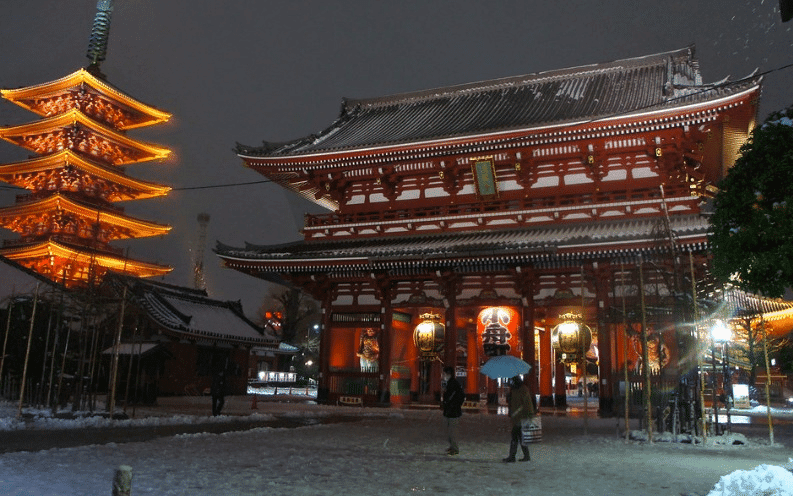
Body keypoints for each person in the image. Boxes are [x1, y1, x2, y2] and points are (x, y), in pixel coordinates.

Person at [503, 375, 534, 462]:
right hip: (518, 417)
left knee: (515, 435)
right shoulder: (515, 390)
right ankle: (526, 456)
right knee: (520, 437)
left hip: (522, 417)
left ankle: (512, 456)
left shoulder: (522, 390)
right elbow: (513, 403)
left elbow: (524, 404)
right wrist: (509, 397)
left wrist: (517, 413)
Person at [440, 365, 464, 456]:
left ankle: (455, 448)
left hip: (453, 412)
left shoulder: (453, 384)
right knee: (450, 431)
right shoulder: (450, 383)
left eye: (444, 373)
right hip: (450, 411)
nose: (443, 375)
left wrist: (453, 405)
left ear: (448, 374)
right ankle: (452, 447)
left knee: (453, 431)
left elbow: (460, 397)